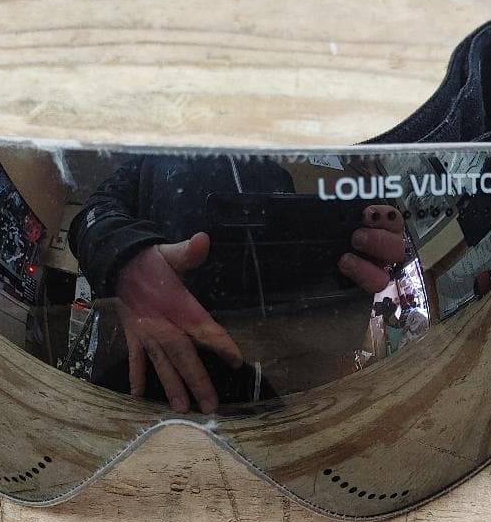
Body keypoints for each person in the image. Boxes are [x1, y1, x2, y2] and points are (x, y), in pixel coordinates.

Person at [68, 155, 406, 414]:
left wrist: (344, 270)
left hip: (280, 389)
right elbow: (91, 215)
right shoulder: (152, 159)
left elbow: (288, 265)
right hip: (152, 385)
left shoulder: (276, 173)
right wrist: (127, 258)